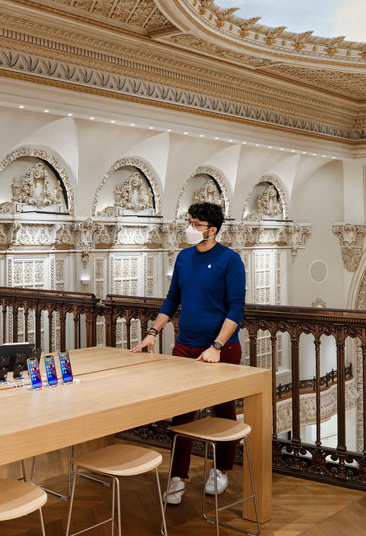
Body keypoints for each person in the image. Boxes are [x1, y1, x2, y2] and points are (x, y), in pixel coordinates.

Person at [130, 202, 245, 506]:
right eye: (190, 222)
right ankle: (178, 476)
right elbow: (172, 300)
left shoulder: (230, 260)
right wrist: (153, 332)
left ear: (213, 229)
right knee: (181, 413)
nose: (190, 228)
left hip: (221, 349)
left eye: (197, 224)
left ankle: (221, 470)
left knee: (224, 410)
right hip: (185, 345)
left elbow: (236, 308)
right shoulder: (183, 257)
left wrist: (216, 346)